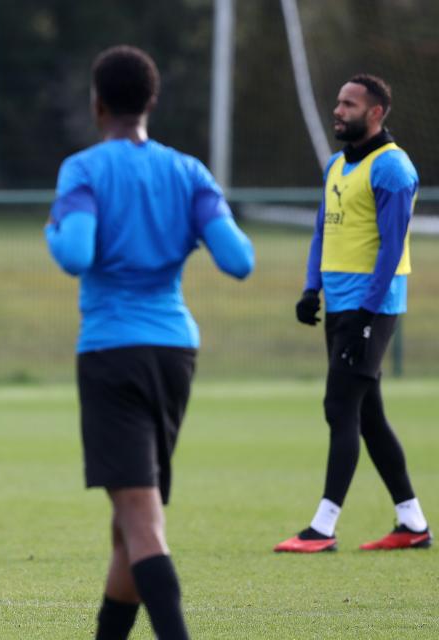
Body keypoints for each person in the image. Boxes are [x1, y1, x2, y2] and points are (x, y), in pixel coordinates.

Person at [45, 46, 254, 640]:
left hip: (113, 352)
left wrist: (54, 229)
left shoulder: (84, 170)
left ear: (97, 104)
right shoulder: (189, 172)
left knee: (141, 522)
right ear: (152, 102)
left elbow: (76, 254)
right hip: (175, 352)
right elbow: (239, 260)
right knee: (128, 523)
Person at [274, 75, 430, 553]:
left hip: (371, 308)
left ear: (376, 113)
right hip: (341, 306)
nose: (337, 110)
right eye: (338, 102)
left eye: (349, 104)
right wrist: (310, 289)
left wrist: (367, 310)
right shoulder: (336, 166)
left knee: (339, 407)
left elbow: (391, 247)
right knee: (368, 417)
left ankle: (323, 527)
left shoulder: (393, 170)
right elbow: (323, 232)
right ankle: (413, 523)